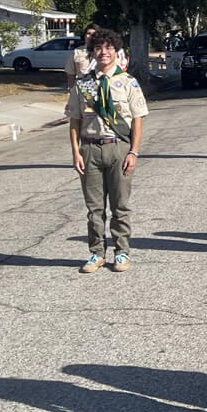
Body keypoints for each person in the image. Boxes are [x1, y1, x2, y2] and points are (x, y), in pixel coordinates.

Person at [69, 28, 148, 273]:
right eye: (98, 48)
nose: (103, 53)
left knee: (120, 206)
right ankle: (96, 253)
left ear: (116, 51)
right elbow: (74, 121)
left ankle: (121, 252)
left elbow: (137, 119)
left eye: (108, 48)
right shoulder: (84, 85)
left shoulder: (127, 82)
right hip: (90, 149)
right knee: (94, 208)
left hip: (118, 147)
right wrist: (75, 152)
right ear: (93, 52)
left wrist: (133, 152)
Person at [66, 23, 99, 90]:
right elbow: (70, 73)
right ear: (84, 36)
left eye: (93, 34)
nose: (90, 36)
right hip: (83, 87)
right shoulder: (77, 52)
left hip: (100, 86)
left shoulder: (104, 52)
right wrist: (71, 89)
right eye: (88, 33)